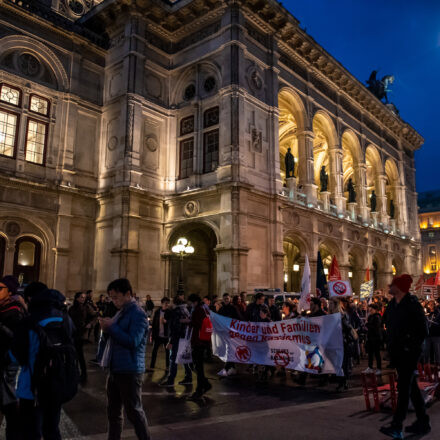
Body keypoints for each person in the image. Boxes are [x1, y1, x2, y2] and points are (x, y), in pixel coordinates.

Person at [14, 287, 77, 440]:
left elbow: (18, 356)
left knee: (30, 431)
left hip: (31, 387)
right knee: (52, 428)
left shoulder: (29, 321)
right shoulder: (66, 320)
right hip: (57, 382)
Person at [380, 274, 430, 439]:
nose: (389, 287)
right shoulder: (393, 304)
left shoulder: (413, 304)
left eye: (392, 285)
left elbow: (423, 330)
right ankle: (423, 422)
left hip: (409, 353)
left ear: (400, 288)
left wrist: (409, 345)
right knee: (412, 388)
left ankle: (397, 425)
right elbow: (386, 322)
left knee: (403, 388)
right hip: (397, 352)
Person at [100, 278, 150, 440]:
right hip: (116, 368)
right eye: (111, 298)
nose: (113, 301)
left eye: (116, 297)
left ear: (128, 294)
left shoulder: (138, 314)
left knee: (134, 412)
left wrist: (111, 327)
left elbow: (133, 341)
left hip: (130, 369)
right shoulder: (121, 312)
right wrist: (107, 330)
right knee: (113, 412)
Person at [0, 276, 25, 440]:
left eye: (1, 288)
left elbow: (15, 338)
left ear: (10, 291)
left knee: (9, 402)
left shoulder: (14, 310)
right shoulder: (4, 307)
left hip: (8, 362)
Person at [160, 294, 192, 387]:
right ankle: (188, 377)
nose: (169, 304)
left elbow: (175, 327)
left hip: (177, 338)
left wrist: (171, 341)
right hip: (184, 338)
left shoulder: (176, 312)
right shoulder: (185, 310)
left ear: (174, 303)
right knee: (184, 357)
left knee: (173, 358)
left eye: (171, 302)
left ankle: (171, 379)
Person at [68, 291, 97, 383]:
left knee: (79, 354)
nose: (83, 299)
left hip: (81, 333)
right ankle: (75, 372)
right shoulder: (72, 308)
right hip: (73, 332)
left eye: (84, 297)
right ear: (77, 298)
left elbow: (95, 316)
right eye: (81, 297)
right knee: (73, 354)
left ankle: (83, 373)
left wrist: (90, 324)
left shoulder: (87, 307)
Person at [188, 293, 212, 399]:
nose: (190, 304)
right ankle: (204, 385)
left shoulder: (198, 310)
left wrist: (189, 321)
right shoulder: (203, 309)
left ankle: (200, 389)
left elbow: (198, 324)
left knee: (197, 366)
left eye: (191, 302)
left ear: (195, 302)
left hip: (199, 341)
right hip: (202, 341)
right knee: (197, 365)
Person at [217, 293, 239, 376]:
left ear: (230, 299)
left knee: (230, 350)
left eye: (227, 298)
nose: (226, 300)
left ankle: (227, 368)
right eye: (225, 298)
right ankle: (232, 367)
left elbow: (238, 318)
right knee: (228, 350)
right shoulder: (222, 309)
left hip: (231, 333)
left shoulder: (233, 308)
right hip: (224, 333)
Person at [148, 297, 171, 372]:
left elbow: (172, 322)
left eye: (168, 303)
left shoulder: (169, 312)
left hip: (165, 335)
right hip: (157, 335)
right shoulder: (157, 312)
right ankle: (152, 366)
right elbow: (154, 323)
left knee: (167, 352)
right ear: (162, 304)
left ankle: (168, 366)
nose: (167, 305)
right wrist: (152, 333)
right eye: (165, 303)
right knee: (154, 351)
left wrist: (166, 321)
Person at [363, 304, 382, 375]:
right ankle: (370, 367)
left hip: (376, 338)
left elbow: (375, 327)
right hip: (370, 337)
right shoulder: (371, 316)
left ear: (375, 310)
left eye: (371, 310)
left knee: (377, 354)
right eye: (369, 310)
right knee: (370, 353)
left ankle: (379, 368)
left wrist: (367, 324)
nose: (370, 311)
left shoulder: (377, 317)